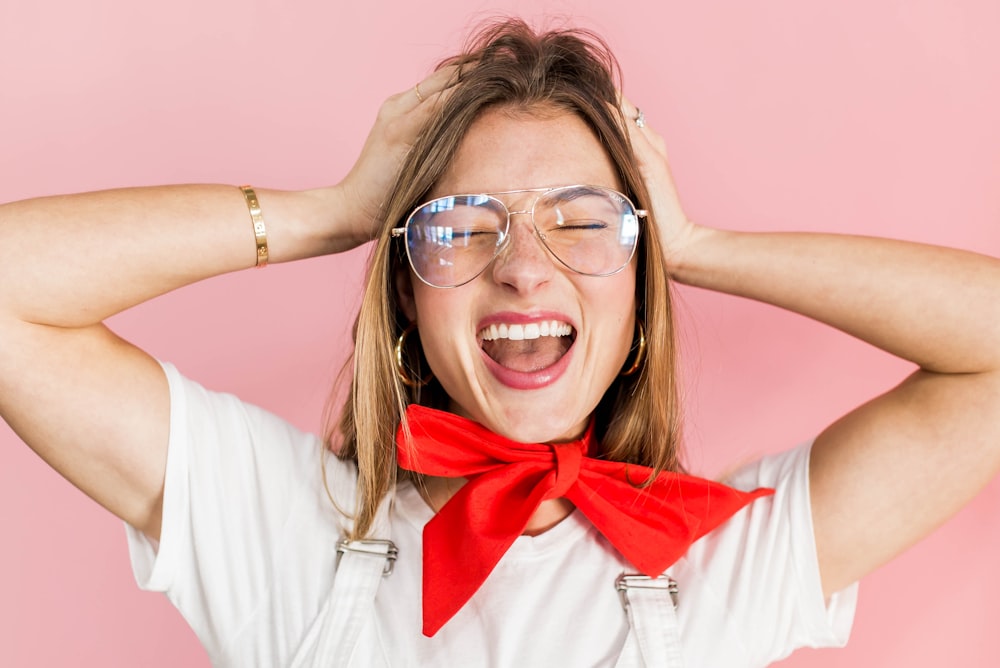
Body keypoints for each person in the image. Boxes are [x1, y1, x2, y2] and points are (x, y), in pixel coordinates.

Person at [2, 17, 999, 668]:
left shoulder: (718, 559)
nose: (523, 266)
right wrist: (333, 211)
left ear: (639, 291)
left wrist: (698, 247)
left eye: (578, 221)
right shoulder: (284, 530)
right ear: (408, 288)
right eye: (464, 225)